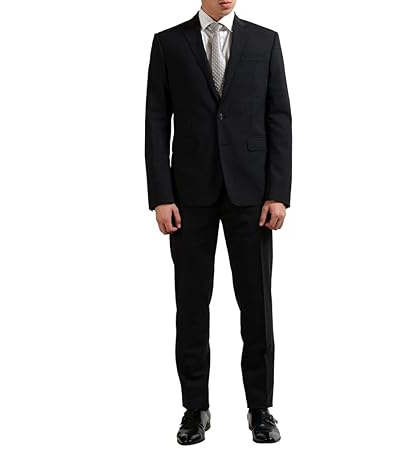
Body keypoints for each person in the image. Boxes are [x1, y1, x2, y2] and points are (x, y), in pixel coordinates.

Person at [144, 0, 291, 445]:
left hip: (252, 194)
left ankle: (260, 408)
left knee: (257, 305)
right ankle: (195, 409)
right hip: (190, 195)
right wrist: (161, 196)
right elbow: (155, 120)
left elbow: (279, 117)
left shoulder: (266, 42)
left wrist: (278, 192)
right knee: (191, 304)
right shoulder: (168, 44)